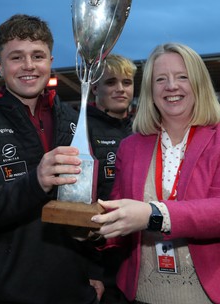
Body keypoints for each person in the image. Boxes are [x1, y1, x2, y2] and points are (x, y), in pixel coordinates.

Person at [0, 14, 103, 304]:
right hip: (5, 295)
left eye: (37, 55)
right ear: (0, 67)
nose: (28, 65)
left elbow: (92, 202)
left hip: (76, 293)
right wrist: (35, 182)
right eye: (16, 57)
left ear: (50, 61)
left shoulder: (74, 120)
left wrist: (96, 269)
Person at [91, 43, 220, 304]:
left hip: (210, 296)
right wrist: (92, 231)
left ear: (198, 83)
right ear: (150, 90)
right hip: (142, 295)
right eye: (160, 79)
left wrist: (153, 215)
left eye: (182, 77)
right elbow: (117, 221)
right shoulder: (131, 147)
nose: (171, 86)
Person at [87, 54, 137, 303]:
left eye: (127, 82)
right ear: (95, 87)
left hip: (140, 251)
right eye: (111, 82)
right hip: (101, 259)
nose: (120, 89)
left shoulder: (144, 128)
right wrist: (89, 270)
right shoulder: (81, 130)